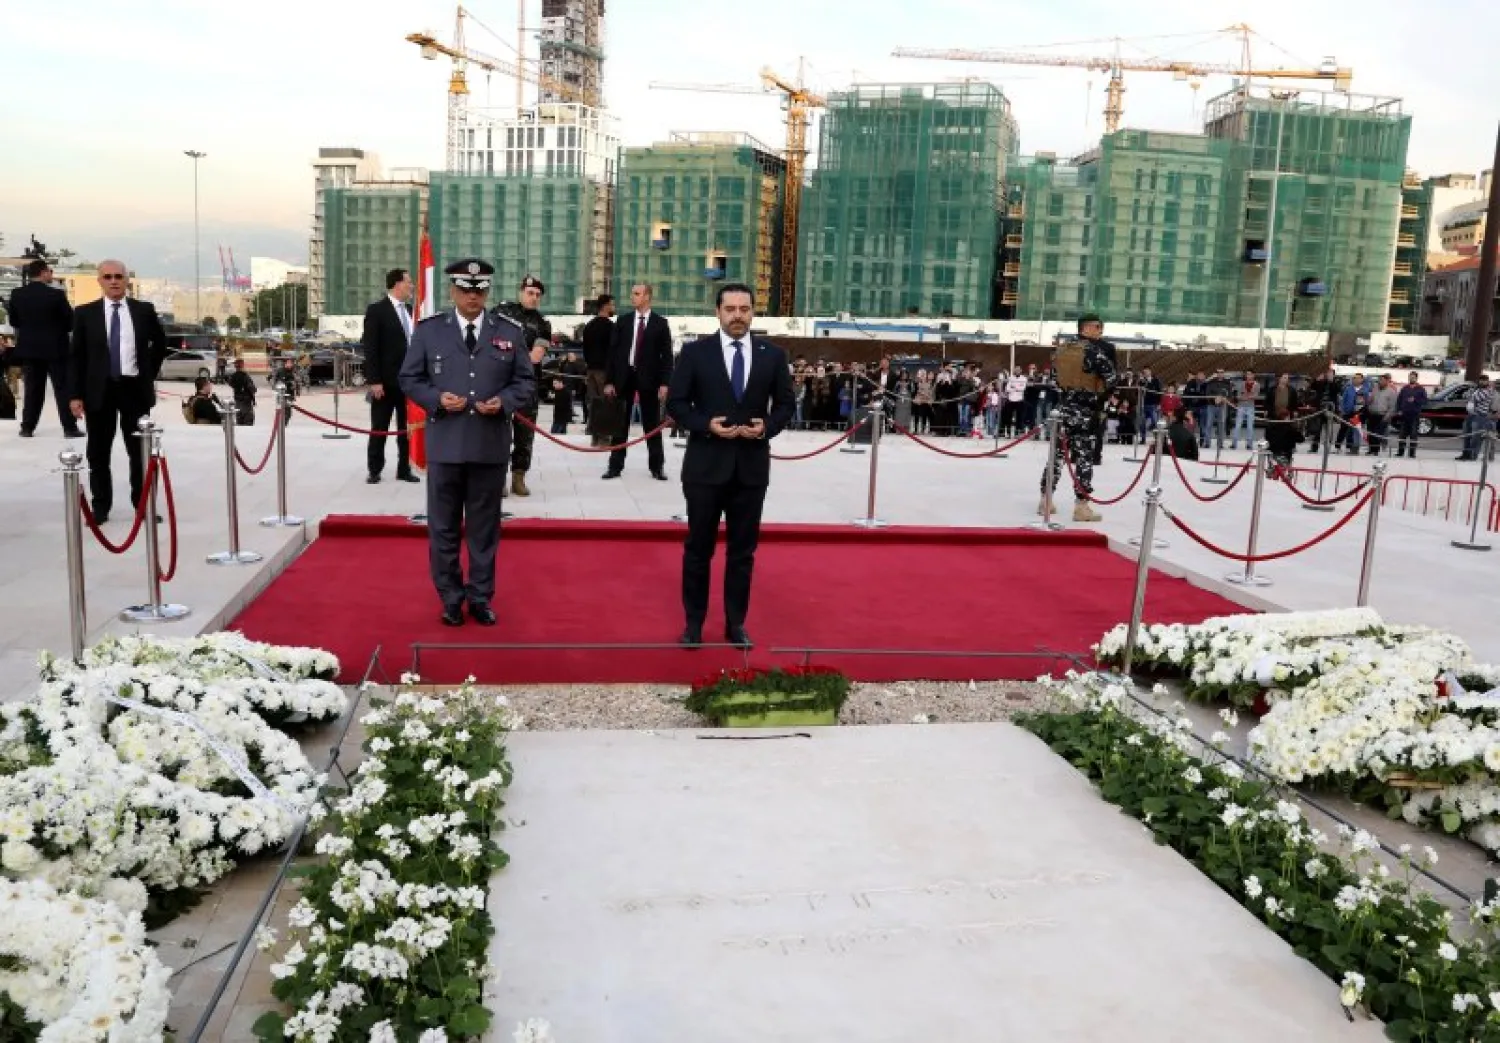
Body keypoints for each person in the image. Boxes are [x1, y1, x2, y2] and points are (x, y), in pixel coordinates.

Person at [400, 259, 536, 628]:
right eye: (465, 289)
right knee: (443, 527)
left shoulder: (509, 331)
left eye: (479, 289)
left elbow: (525, 381)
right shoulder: (430, 332)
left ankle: (479, 597)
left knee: (484, 529)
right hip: (445, 445)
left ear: (487, 291)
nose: (472, 296)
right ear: (452, 291)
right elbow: (409, 378)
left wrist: (505, 402)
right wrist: (435, 398)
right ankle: (449, 597)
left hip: (489, 446)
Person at [666, 282, 794, 649]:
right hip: (705, 467)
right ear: (717, 312)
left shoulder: (773, 355)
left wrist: (766, 427)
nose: (738, 315)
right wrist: (706, 425)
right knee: (698, 549)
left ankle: (736, 623)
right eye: (730, 309)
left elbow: (786, 405)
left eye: (745, 309)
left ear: (754, 312)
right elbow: (676, 403)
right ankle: (693, 624)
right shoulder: (694, 353)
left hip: (751, 470)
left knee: (742, 553)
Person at [67, 259, 166, 523]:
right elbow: (76, 357)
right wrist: (75, 395)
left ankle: (142, 504)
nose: (114, 281)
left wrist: (148, 374)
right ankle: (100, 507)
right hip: (99, 391)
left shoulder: (143, 310)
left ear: (126, 281)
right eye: (108, 277)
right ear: (99, 281)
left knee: (139, 451)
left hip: (134, 389)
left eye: (118, 276)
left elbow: (160, 344)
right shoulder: (85, 314)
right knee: (98, 451)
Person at [1040, 313, 1117, 522]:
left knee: (1056, 456)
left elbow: (1054, 379)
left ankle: (1045, 499)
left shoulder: (1062, 350)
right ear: (1087, 328)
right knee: (1084, 458)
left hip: (1063, 408)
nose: (1100, 330)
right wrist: (1099, 402)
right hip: (1086, 411)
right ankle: (1081, 506)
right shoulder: (1095, 352)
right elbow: (1111, 380)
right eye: (1097, 327)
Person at [603, 282, 673, 480]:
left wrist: (665, 383)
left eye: (636, 293)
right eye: (632, 293)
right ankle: (614, 466)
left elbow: (667, 357)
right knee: (620, 425)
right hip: (623, 378)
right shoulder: (623, 321)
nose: (632, 297)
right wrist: (609, 381)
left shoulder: (661, 324)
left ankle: (657, 467)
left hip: (649, 380)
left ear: (647, 296)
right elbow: (612, 353)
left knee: (652, 425)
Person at [8, 259, 82, 438]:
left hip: (29, 349)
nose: (52, 274)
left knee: (32, 390)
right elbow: (70, 322)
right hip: (56, 349)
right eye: (50, 271)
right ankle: (69, 428)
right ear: (43, 273)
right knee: (62, 389)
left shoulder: (17, 294)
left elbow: (14, 321)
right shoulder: (56, 295)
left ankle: (27, 427)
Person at [493, 274, 551, 497]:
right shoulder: (501, 312)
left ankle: (519, 476)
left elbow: (536, 356)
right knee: (499, 433)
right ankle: (498, 479)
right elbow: (490, 342)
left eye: (538, 295)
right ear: (521, 293)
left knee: (524, 435)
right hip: (499, 384)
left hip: (526, 386)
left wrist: (508, 354)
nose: (534, 297)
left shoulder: (543, 324)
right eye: (530, 293)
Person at [361, 268, 420, 485]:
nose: (411, 286)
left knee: (406, 430)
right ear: (397, 284)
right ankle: (374, 469)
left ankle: (404, 468)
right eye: (409, 282)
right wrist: (374, 380)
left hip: (408, 383)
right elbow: (370, 348)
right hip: (384, 383)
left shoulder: (411, 312)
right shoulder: (377, 310)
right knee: (380, 427)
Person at [581, 294, 617, 447]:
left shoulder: (589, 326)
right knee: (605, 403)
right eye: (612, 304)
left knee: (593, 404)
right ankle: (604, 438)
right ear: (606, 306)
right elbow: (613, 351)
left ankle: (594, 438)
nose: (614, 308)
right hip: (604, 371)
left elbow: (585, 350)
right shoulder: (610, 327)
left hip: (591, 370)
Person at [1394, 371, 1428, 459]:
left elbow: (1425, 401)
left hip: (1414, 415)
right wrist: (1399, 410)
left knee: (1413, 435)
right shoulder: (1405, 388)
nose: (1411, 378)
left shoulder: (1421, 389)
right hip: (1404, 415)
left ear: (1416, 378)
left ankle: (1412, 453)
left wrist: (1415, 400)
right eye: (1410, 377)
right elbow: (1399, 400)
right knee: (1402, 434)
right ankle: (1400, 452)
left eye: (1413, 377)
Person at [228, 358, 257, 425]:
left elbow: (231, 384)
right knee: (248, 422)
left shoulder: (233, 376)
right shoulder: (245, 376)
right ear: (242, 365)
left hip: (237, 401)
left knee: (239, 422)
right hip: (246, 402)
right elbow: (252, 389)